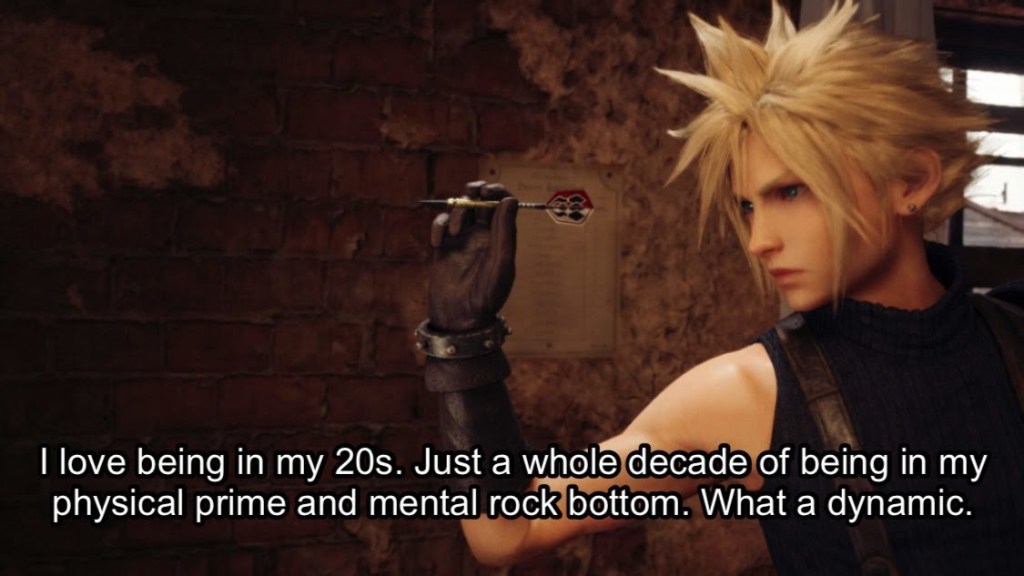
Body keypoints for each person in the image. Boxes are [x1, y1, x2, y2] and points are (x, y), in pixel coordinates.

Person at [416, 1, 1024, 574]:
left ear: (911, 180)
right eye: (748, 206)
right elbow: (509, 530)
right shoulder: (748, 394)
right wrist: (461, 341)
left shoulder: (1013, 337)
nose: (758, 241)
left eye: (790, 191)